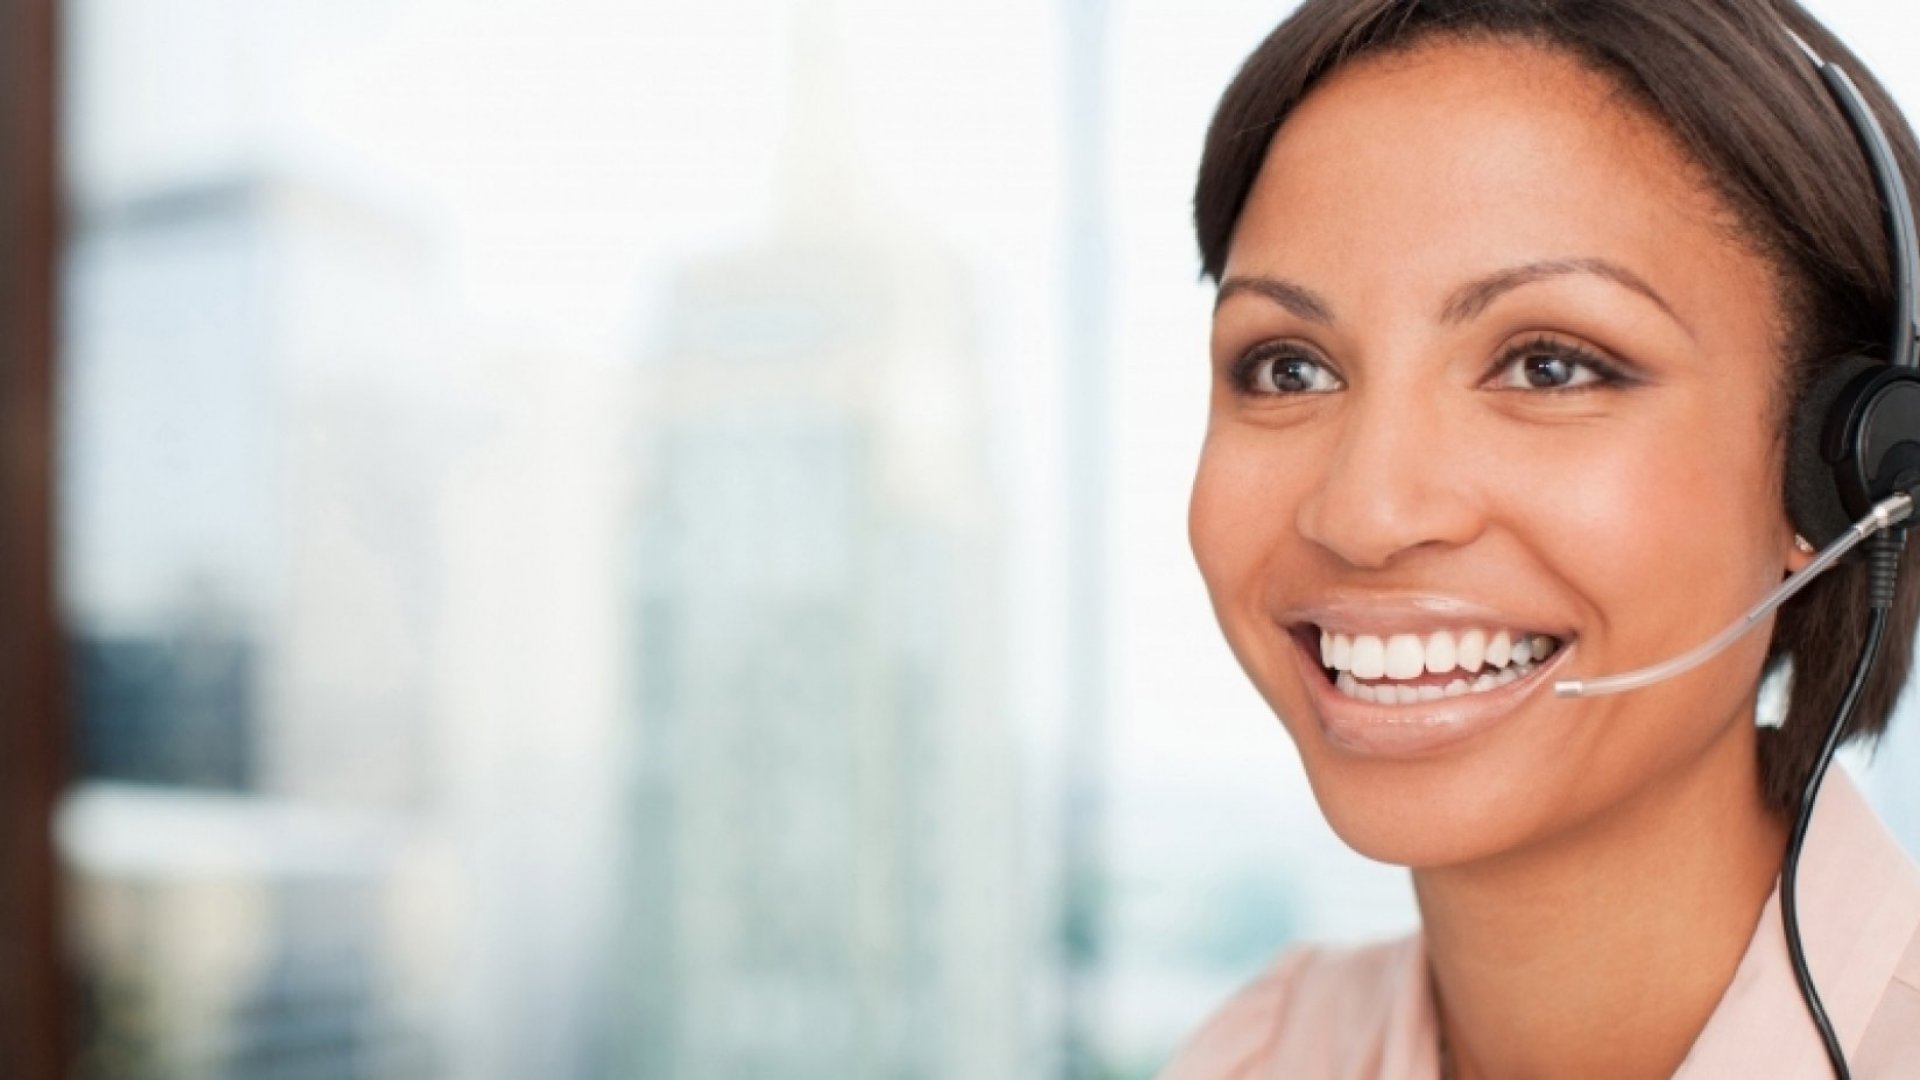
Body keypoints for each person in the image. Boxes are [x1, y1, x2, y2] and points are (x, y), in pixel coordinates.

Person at [1165, 1, 1920, 1077]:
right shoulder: (1264, 1051)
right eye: (1290, 368)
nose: (1365, 515)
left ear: (1841, 470)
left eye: (1548, 366)